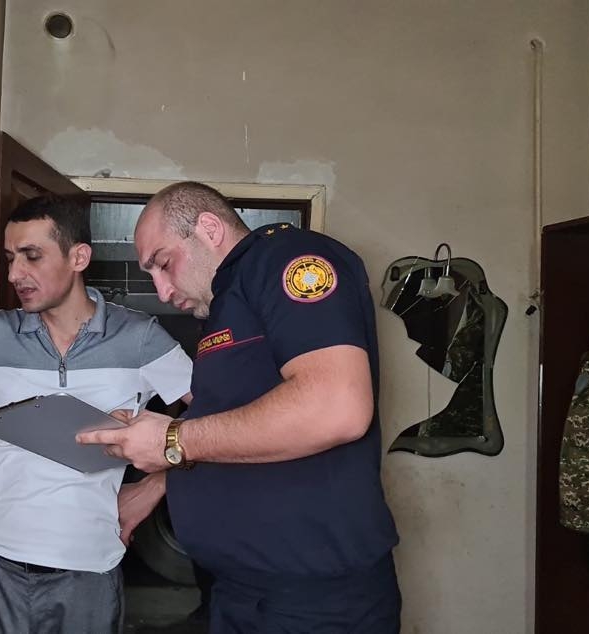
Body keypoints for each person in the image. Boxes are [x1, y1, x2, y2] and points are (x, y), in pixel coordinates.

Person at [78, 182, 401, 632]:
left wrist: (171, 440)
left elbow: (336, 407)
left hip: (312, 599)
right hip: (239, 590)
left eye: (164, 264)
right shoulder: (227, 303)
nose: (162, 291)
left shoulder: (287, 258)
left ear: (209, 229)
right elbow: (239, 426)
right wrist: (157, 482)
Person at [0, 194, 192, 633]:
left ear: (78, 257)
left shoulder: (141, 338)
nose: (15, 274)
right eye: (10, 258)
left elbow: (219, 417)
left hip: (89, 573)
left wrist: (156, 486)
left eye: (31, 256)